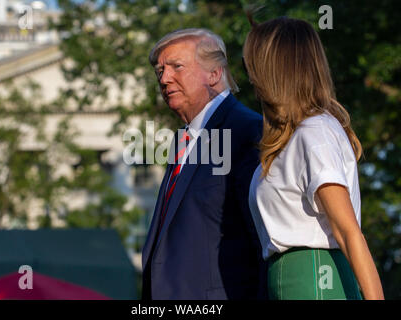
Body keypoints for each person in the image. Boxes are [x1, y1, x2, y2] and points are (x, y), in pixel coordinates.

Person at [243, 14, 385, 300]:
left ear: (275, 70)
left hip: (317, 283)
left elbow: (348, 232)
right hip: (291, 284)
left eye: (254, 65)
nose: (249, 76)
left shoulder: (314, 133)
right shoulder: (293, 138)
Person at [142, 28, 266, 300]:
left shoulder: (247, 131)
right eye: (159, 70)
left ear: (214, 73)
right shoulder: (183, 140)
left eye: (176, 66)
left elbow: (262, 240)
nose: (164, 78)